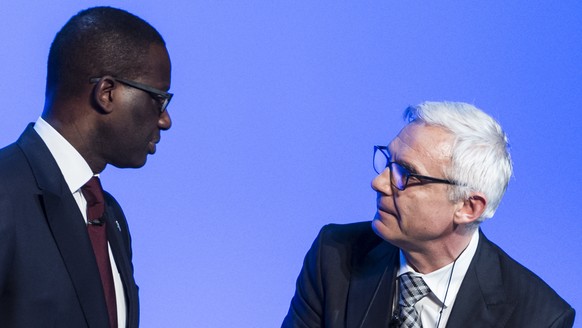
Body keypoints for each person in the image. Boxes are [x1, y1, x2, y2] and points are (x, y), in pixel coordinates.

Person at [282, 101, 575, 328]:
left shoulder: (538, 317)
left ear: (468, 207)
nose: (379, 182)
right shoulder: (334, 256)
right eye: (388, 161)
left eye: (406, 174)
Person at [0, 6, 172, 328]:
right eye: (158, 99)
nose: (165, 120)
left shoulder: (110, 216)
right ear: (106, 93)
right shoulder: (5, 191)